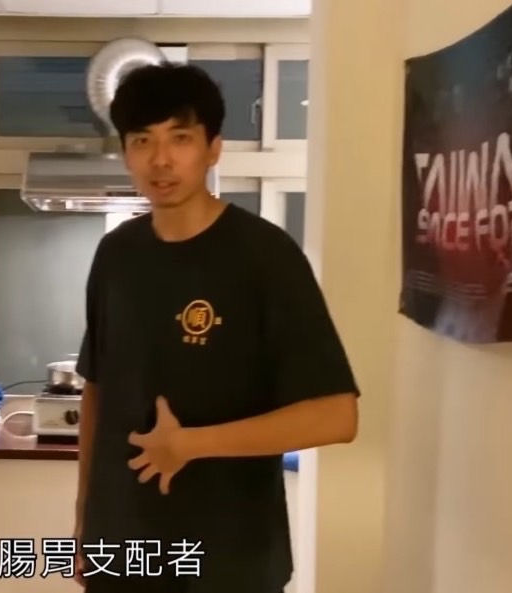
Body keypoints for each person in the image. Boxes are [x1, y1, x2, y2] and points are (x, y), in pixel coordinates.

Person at [74, 62, 360, 593]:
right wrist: (85, 524)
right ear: (126, 153)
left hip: (230, 559)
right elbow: (97, 390)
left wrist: (190, 444)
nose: (161, 159)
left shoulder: (265, 256)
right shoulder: (116, 254)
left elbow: (336, 416)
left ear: (213, 148)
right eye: (142, 140)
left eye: (180, 138)